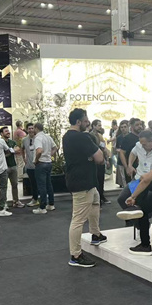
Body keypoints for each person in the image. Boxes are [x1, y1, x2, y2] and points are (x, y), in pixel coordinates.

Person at [63, 108, 106, 267]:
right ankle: (75, 255)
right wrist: (94, 154)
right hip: (82, 183)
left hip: (86, 182)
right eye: (86, 121)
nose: (88, 123)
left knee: (95, 202)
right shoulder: (81, 137)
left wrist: (91, 156)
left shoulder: (67, 136)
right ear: (78, 121)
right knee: (78, 219)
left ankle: (95, 234)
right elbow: (100, 158)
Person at [116, 130, 152, 224]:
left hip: (151, 182)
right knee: (122, 198)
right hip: (138, 178)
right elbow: (133, 153)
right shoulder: (139, 145)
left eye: (144, 144)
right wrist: (130, 165)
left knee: (143, 203)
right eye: (141, 144)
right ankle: (136, 222)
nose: (142, 146)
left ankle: (143, 220)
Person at [32, 123, 57, 215]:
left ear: (36, 128)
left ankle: (42, 207)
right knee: (48, 184)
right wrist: (49, 155)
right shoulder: (48, 137)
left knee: (41, 186)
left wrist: (36, 160)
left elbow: (39, 151)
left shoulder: (38, 138)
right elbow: (55, 148)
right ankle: (51, 204)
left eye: (33, 128)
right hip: (48, 163)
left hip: (41, 163)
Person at [0, 127, 24, 209]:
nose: (8, 132)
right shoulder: (0, 143)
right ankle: (4, 203)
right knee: (4, 187)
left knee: (15, 184)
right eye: (6, 131)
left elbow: (18, 150)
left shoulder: (12, 142)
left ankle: (16, 201)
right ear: (1, 134)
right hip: (4, 167)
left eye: (8, 131)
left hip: (13, 165)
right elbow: (2, 154)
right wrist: (12, 151)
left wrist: (9, 152)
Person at [90, 119, 111, 205]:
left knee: (101, 179)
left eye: (100, 125)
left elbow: (104, 147)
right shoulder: (90, 135)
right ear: (94, 126)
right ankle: (97, 198)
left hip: (102, 159)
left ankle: (102, 196)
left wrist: (107, 159)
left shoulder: (100, 136)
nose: (100, 127)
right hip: (95, 160)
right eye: (98, 125)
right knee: (96, 180)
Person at [21, 123, 39, 207]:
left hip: (38, 165)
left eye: (32, 128)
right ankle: (34, 199)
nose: (31, 130)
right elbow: (22, 149)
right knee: (33, 183)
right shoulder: (24, 140)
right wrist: (24, 158)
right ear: (27, 130)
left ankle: (43, 200)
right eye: (29, 128)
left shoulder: (38, 138)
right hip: (29, 165)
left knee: (40, 182)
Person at [120, 118, 142, 183]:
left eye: (140, 124)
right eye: (137, 125)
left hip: (143, 168)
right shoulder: (127, 138)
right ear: (132, 127)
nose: (139, 126)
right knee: (132, 187)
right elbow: (122, 153)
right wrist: (127, 167)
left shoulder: (143, 137)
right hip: (132, 168)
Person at [115, 120, 129, 187]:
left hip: (130, 160)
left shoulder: (131, 137)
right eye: (122, 127)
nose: (123, 129)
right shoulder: (119, 138)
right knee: (123, 178)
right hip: (121, 161)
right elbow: (117, 147)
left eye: (125, 127)